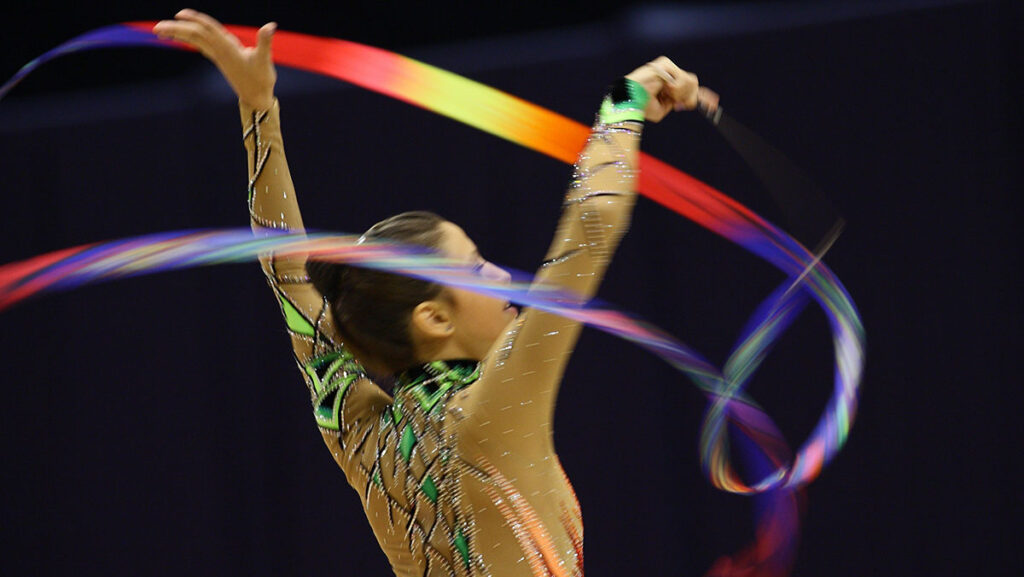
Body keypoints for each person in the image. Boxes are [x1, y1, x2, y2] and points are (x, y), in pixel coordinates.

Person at [154, 9, 714, 577]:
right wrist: (624, 103)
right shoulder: (494, 408)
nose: (502, 277)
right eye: (475, 266)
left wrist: (258, 109)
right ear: (434, 319)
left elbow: (288, 277)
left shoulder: (363, 432)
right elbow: (591, 227)